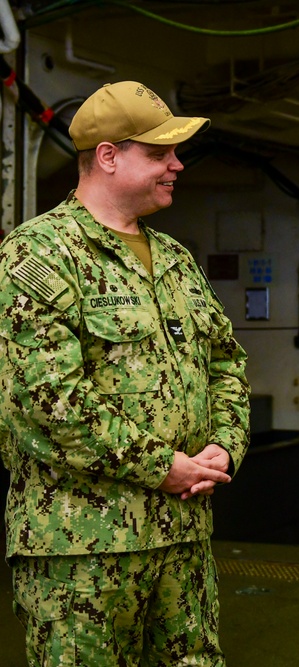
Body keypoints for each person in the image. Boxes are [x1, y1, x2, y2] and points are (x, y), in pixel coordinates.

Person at [0, 81, 250, 666]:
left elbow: (225, 361)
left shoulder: (175, 259)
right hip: (83, 549)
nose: (177, 165)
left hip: (182, 537)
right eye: (160, 154)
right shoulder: (39, 255)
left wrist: (223, 447)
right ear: (109, 156)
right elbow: (47, 402)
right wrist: (161, 467)